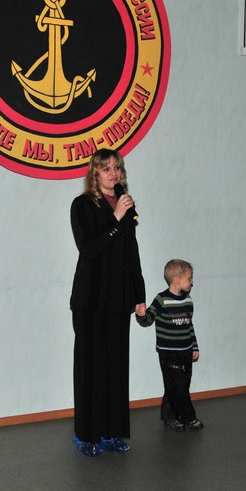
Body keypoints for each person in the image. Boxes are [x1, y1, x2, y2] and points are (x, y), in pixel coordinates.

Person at [69, 149, 146, 457]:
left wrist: (139, 296)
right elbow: (88, 248)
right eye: (106, 169)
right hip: (90, 300)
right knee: (90, 368)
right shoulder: (83, 205)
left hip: (118, 300)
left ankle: (111, 433)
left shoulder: (126, 204)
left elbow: (131, 254)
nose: (113, 173)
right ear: (95, 174)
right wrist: (115, 219)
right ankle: (86, 435)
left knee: (115, 368)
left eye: (117, 168)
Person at [135, 259, 204, 432]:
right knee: (178, 386)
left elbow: (189, 325)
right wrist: (141, 315)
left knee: (178, 386)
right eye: (189, 278)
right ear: (177, 279)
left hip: (186, 351)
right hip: (169, 353)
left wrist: (194, 346)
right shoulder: (162, 300)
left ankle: (170, 416)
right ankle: (189, 417)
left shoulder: (188, 300)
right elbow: (148, 319)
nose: (192, 282)